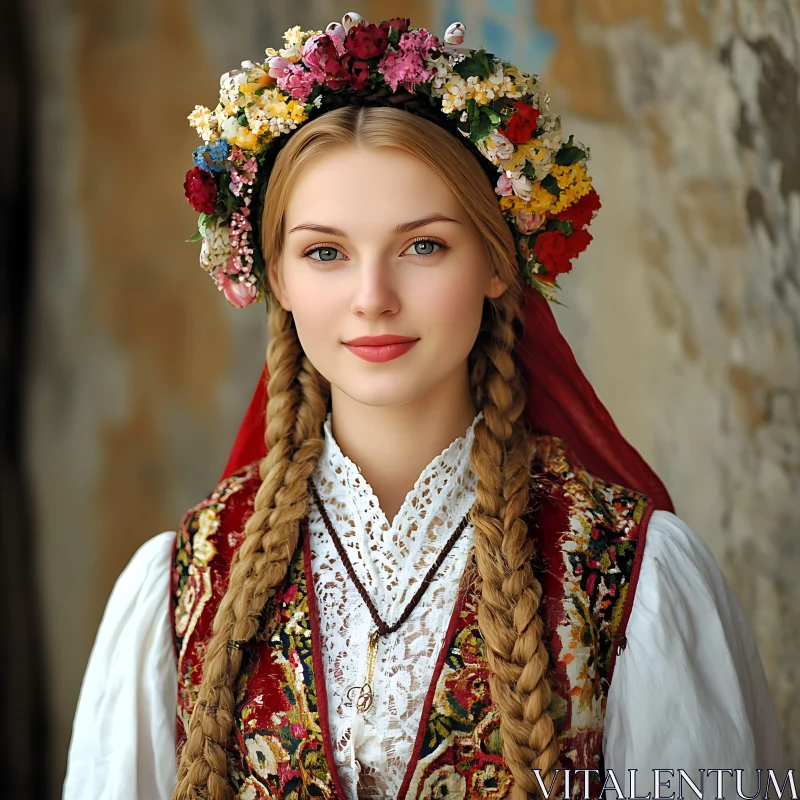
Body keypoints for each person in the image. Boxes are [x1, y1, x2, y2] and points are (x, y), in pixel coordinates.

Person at [63, 12, 787, 800]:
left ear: (498, 263)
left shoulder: (624, 574)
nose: (373, 299)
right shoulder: (182, 585)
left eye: (423, 246)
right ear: (277, 278)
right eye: (325, 253)